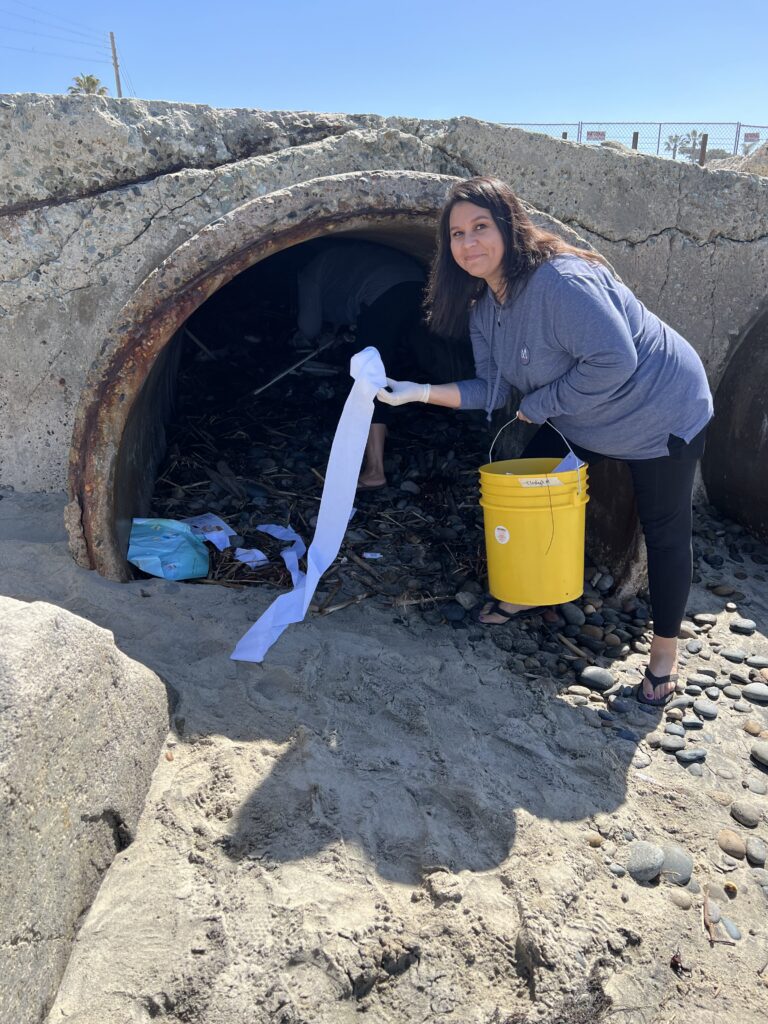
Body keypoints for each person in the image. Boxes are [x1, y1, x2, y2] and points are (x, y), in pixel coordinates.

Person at [377, 176, 713, 708]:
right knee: (529, 477)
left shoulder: (562, 283)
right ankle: (528, 587)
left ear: (509, 227)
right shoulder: (484, 307)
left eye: (480, 228)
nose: (469, 244)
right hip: (588, 413)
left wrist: (540, 404)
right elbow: (494, 388)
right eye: (457, 234)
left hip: (663, 408)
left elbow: (616, 361)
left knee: (665, 529)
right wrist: (417, 392)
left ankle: (665, 655)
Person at [296, 240, 426, 489]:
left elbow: (309, 326)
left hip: (383, 294)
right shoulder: (348, 255)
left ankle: (375, 470)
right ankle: (382, 431)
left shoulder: (311, 270)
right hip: (419, 283)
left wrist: (306, 336)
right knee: (387, 365)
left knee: (369, 380)